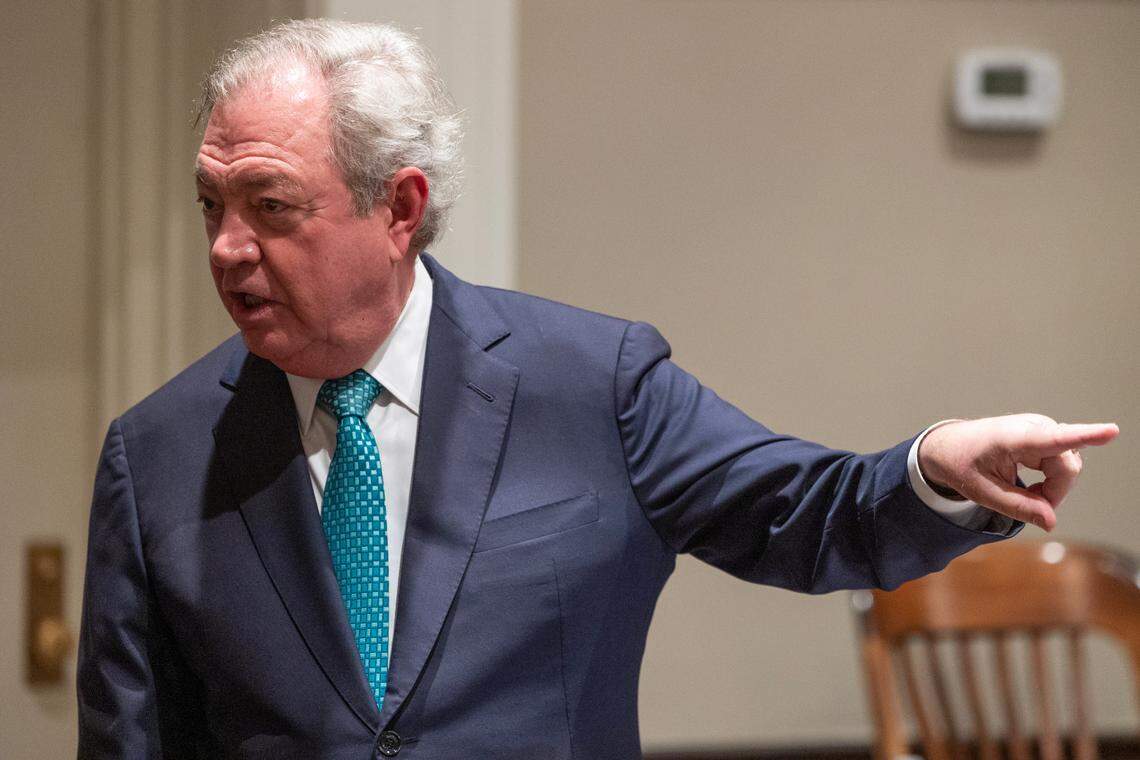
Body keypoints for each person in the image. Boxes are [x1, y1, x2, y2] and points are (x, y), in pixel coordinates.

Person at [76, 19, 1118, 760]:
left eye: (269, 205)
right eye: (213, 202)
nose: (227, 248)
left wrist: (933, 469)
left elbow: (805, 514)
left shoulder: (592, 387)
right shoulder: (157, 454)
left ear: (399, 208)